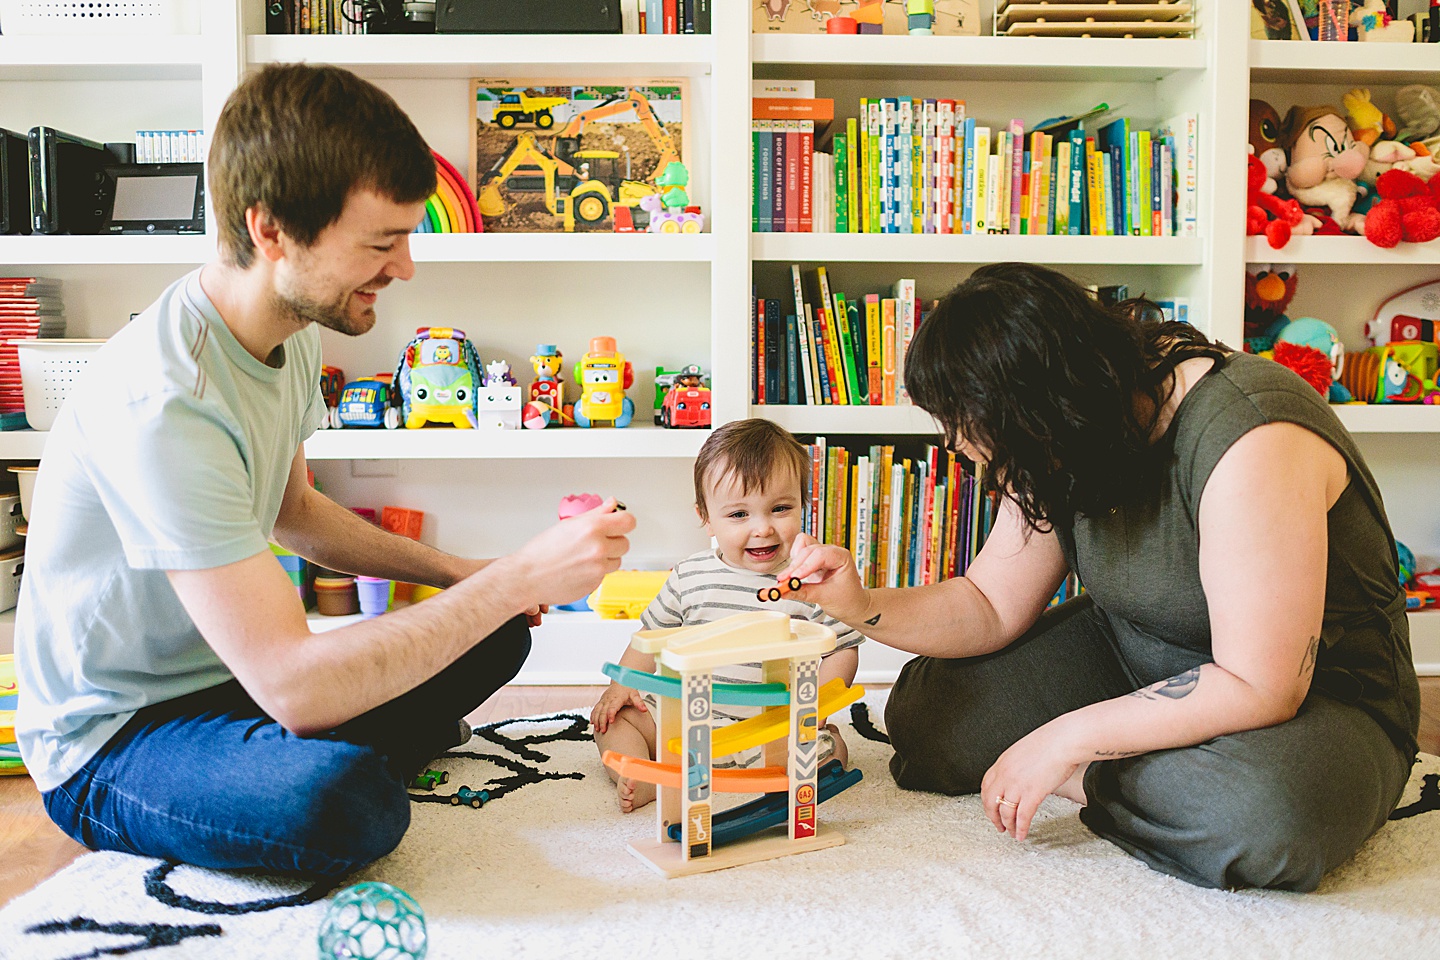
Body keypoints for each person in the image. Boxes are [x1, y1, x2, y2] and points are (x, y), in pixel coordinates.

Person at [14, 63, 635, 877]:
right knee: (341, 804)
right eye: (382, 243)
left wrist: (463, 576)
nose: (406, 267)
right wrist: (515, 575)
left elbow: (295, 512)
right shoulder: (165, 402)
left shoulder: (293, 328)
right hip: (119, 737)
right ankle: (316, 766)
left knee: (493, 635)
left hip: (238, 686)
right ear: (271, 231)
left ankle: (310, 754)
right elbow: (293, 687)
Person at [779, 262, 1420, 892]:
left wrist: (1069, 744)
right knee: (931, 719)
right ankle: (1151, 774)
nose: (955, 448)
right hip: (1137, 651)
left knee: (1266, 820)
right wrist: (858, 604)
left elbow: (1261, 684)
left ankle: (1105, 779)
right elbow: (989, 604)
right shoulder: (1068, 431)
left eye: (964, 430)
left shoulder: (1251, 433)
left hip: (1314, 697)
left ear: (1039, 408)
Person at [591, 419, 863, 812]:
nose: (763, 528)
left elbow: (843, 650)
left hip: (771, 729)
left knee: (830, 746)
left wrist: (813, 707)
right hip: (684, 725)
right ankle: (647, 775)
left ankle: (793, 778)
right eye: (739, 515)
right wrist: (620, 687)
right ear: (706, 516)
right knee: (610, 720)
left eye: (780, 508)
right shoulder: (690, 575)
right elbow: (651, 633)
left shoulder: (812, 579)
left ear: (802, 504)